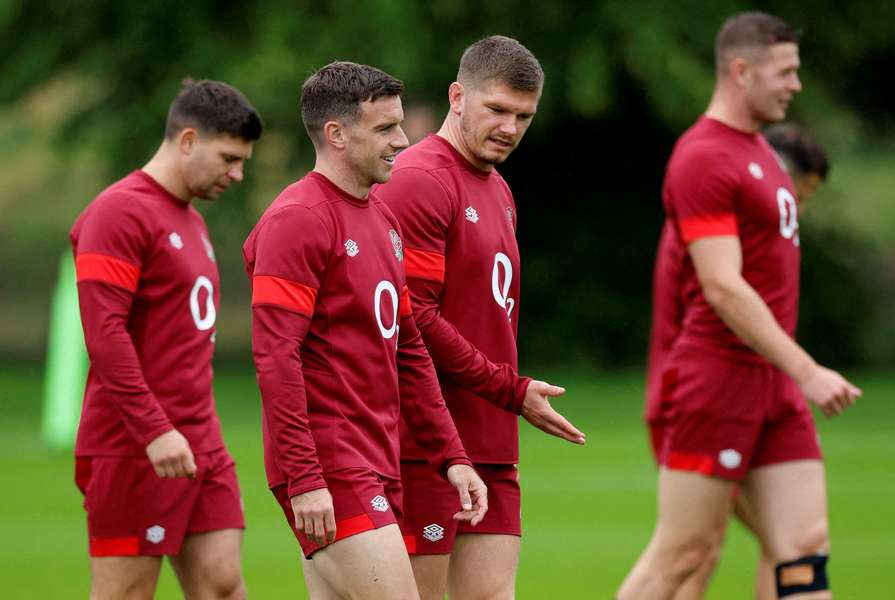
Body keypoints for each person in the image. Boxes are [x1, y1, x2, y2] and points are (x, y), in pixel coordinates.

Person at [618, 13, 860, 600]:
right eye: (786, 72)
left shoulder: (760, 153)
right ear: (741, 70)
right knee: (685, 555)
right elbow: (722, 287)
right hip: (719, 380)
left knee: (803, 544)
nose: (795, 84)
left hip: (771, 382)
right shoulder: (702, 156)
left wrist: (789, 373)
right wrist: (808, 369)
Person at [242, 61, 487, 600]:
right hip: (331, 463)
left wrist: (453, 456)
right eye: (384, 128)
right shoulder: (298, 219)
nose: (403, 140)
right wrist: (305, 479)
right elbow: (275, 358)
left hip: (377, 457)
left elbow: (410, 351)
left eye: (399, 125)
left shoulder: (380, 217)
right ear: (335, 134)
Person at [374, 35, 585, 600]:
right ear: (458, 96)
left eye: (524, 116)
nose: (510, 129)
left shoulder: (500, 190)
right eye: (497, 110)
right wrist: (509, 389)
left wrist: (505, 397)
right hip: (426, 443)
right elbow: (413, 315)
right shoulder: (420, 178)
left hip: (491, 439)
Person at [70, 79, 262, 599]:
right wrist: (155, 430)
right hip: (133, 444)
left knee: (222, 583)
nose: (237, 174)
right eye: (228, 158)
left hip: (200, 438)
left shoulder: (190, 219)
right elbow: (104, 334)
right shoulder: (119, 212)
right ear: (187, 140)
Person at [644, 122, 832, 600]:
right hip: (703, 394)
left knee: (791, 543)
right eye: (797, 196)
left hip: (751, 390)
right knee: (691, 553)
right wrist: (804, 369)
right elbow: (719, 302)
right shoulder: (715, 224)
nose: (797, 213)